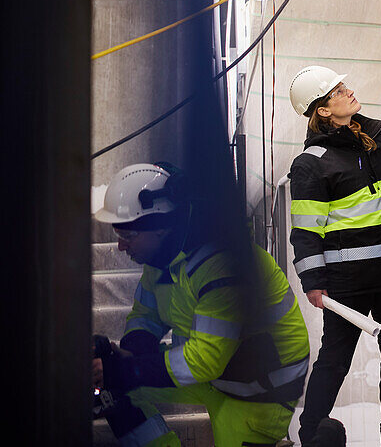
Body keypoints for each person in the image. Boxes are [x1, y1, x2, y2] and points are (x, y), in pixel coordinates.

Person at [91, 162, 311, 447]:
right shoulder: (160, 260)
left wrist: (130, 369)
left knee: (123, 376)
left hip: (258, 389)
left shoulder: (222, 266)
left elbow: (203, 360)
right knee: (116, 385)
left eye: (128, 236)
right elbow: (145, 315)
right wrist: (127, 356)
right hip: (216, 373)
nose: (121, 246)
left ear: (160, 227)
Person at [287, 65, 381, 447]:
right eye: (338, 91)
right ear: (323, 109)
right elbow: (305, 232)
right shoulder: (311, 164)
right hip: (348, 286)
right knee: (335, 363)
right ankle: (311, 435)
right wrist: (314, 284)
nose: (349, 91)